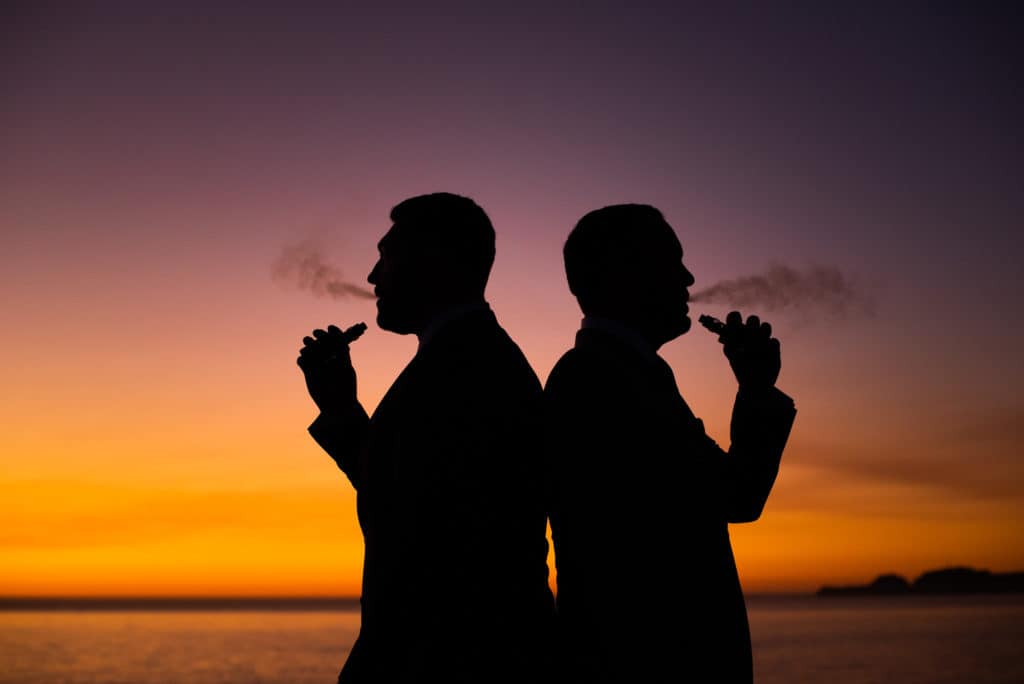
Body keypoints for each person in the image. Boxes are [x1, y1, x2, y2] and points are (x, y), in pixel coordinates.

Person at [296, 193, 555, 683]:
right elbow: (404, 494)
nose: (373, 276)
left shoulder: (472, 366)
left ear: (436, 261)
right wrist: (339, 408)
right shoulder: (464, 358)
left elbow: (432, 544)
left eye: (387, 256)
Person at [544, 204, 797, 683]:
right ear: (624, 274)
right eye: (670, 261)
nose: (688, 277)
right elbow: (737, 495)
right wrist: (758, 390)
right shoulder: (606, 378)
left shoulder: (615, 372)